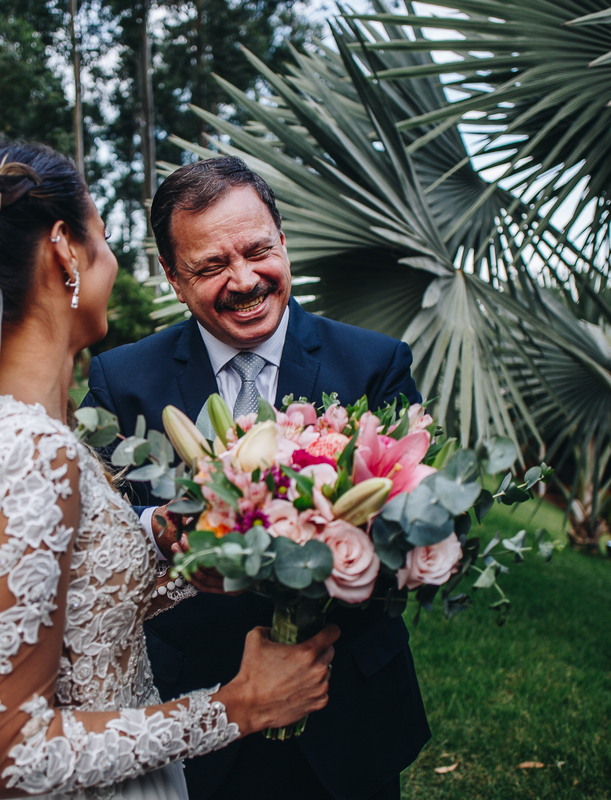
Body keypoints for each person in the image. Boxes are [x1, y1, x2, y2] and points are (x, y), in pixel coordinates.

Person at [0, 141, 340, 800]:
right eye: (102, 242)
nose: (107, 262)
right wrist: (238, 707)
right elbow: (12, 757)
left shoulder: (3, 434)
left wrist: (187, 563)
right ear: (64, 251)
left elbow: (65, 611)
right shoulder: (29, 453)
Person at [83, 156, 431, 800]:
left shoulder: (374, 363)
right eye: (211, 266)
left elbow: (413, 523)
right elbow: (105, 549)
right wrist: (166, 533)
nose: (245, 280)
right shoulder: (121, 382)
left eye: (258, 251)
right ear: (172, 277)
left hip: (351, 708)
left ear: (282, 241)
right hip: (204, 710)